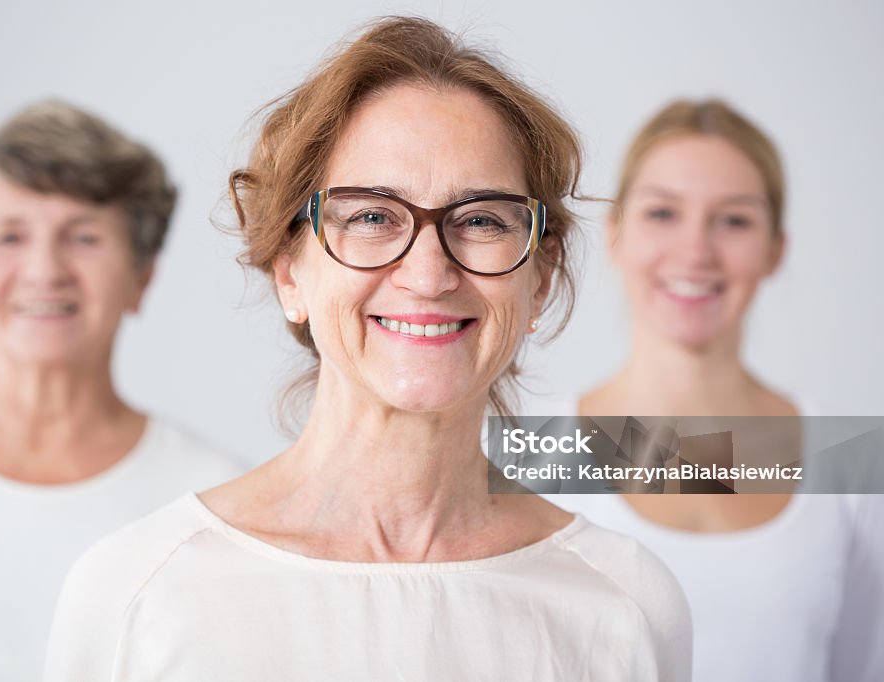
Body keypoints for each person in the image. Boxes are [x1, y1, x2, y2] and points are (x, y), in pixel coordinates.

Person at [45, 17, 691, 681]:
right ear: (290, 271)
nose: (429, 274)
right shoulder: (141, 592)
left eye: (481, 221)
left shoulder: (624, 606)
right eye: (373, 217)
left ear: (541, 277)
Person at [0, 100, 242, 681]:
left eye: (84, 237)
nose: (44, 270)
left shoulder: (216, 501)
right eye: (10, 237)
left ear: (142, 277)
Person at [538, 99, 884, 681]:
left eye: (734, 219)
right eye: (662, 213)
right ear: (615, 235)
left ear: (775, 249)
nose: (696, 251)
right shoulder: (526, 454)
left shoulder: (854, 458)